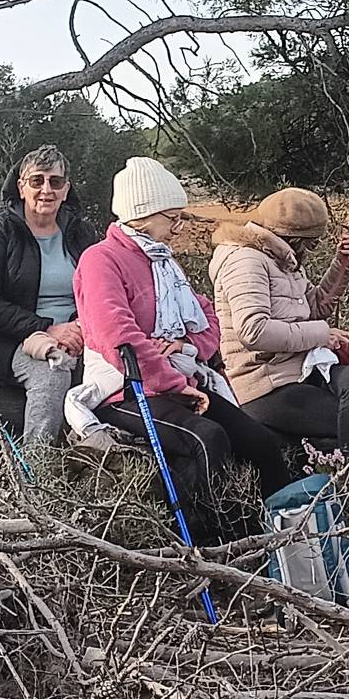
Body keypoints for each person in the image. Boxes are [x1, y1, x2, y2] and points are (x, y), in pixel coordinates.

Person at [74, 157, 291, 539]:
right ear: (143, 214)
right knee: (207, 439)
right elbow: (117, 335)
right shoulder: (100, 261)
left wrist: (185, 344)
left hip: (179, 378)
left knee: (260, 442)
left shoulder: (164, 262)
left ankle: (282, 533)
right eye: (172, 218)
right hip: (125, 390)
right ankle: (212, 544)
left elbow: (208, 320)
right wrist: (174, 381)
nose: (178, 228)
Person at [208, 188, 349, 458]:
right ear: (294, 237)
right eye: (311, 242)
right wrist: (322, 335)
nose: (311, 249)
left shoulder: (282, 259)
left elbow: (316, 308)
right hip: (265, 384)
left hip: (301, 370)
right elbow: (253, 330)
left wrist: (342, 266)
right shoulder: (245, 261)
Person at [0, 145, 98, 444]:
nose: (46, 190)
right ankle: (38, 468)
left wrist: (79, 327)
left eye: (55, 182)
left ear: (66, 189)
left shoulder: (82, 233)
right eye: (37, 181)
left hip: (80, 335)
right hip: (10, 340)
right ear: (21, 187)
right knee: (54, 374)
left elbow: (99, 290)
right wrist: (47, 328)